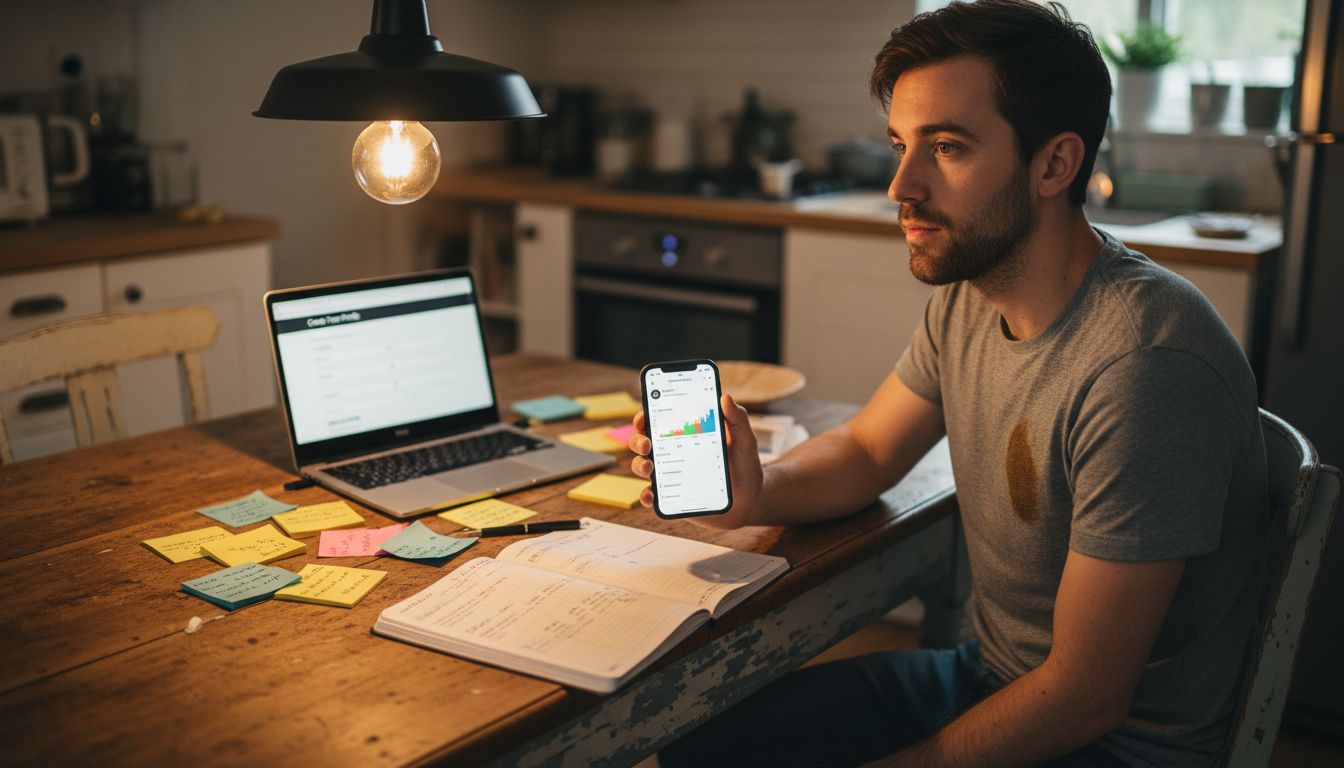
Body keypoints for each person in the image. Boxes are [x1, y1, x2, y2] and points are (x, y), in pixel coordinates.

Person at [627, 1, 1268, 766]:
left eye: (947, 148)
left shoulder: (1144, 367)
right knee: (702, 743)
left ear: (1054, 165)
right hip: (991, 674)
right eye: (900, 145)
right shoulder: (973, 294)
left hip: (1115, 743)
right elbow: (868, 450)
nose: (902, 184)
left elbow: (1085, 698)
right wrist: (756, 491)